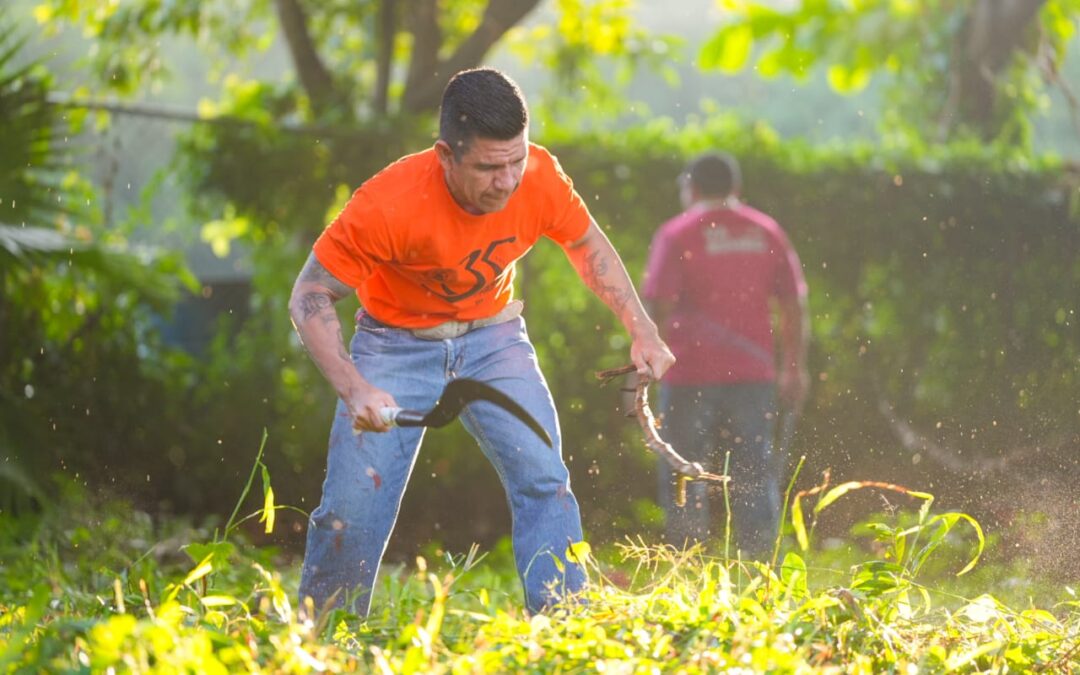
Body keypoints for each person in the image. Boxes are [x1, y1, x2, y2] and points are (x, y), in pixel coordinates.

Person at [288, 68, 675, 617]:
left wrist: (642, 328)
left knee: (545, 477)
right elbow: (309, 295)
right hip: (395, 345)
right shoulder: (388, 204)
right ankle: (325, 639)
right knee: (352, 507)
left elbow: (587, 243)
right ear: (446, 154)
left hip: (494, 339)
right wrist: (355, 389)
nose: (509, 180)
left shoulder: (538, 174)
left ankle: (564, 626)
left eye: (516, 160)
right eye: (490, 167)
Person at [641, 152, 809, 557]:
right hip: (753, 374)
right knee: (754, 471)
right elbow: (794, 304)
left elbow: (656, 305)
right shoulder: (766, 230)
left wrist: (647, 366)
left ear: (692, 188)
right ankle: (759, 564)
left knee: (684, 470)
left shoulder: (677, 233)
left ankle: (686, 561)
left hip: (688, 375)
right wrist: (794, 369)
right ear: (735, 189)